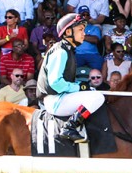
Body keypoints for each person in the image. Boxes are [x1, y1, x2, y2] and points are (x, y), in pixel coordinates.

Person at [36, 13, 105, 143]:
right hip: (55, 101)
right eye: (80, 30)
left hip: (58, 98)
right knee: (97, 97)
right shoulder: (61, 51)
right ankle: (69, 127)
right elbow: (55, 82)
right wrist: (78, 87)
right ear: (68, 32)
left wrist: (81, 86)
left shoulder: (67, 50)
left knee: (93, 93)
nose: (83, 34)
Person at [74, 6, 104, 70]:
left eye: (87, 14)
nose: (84, 16)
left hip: (93, 54)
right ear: (78, 16)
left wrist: (80, 36)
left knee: (99, 68)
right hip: (78, 54)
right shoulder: (74, 28)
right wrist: (88, 37)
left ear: (89, 16)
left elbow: (95, 40)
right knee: (71, 70)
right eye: (82, 15)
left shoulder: (94, 28)